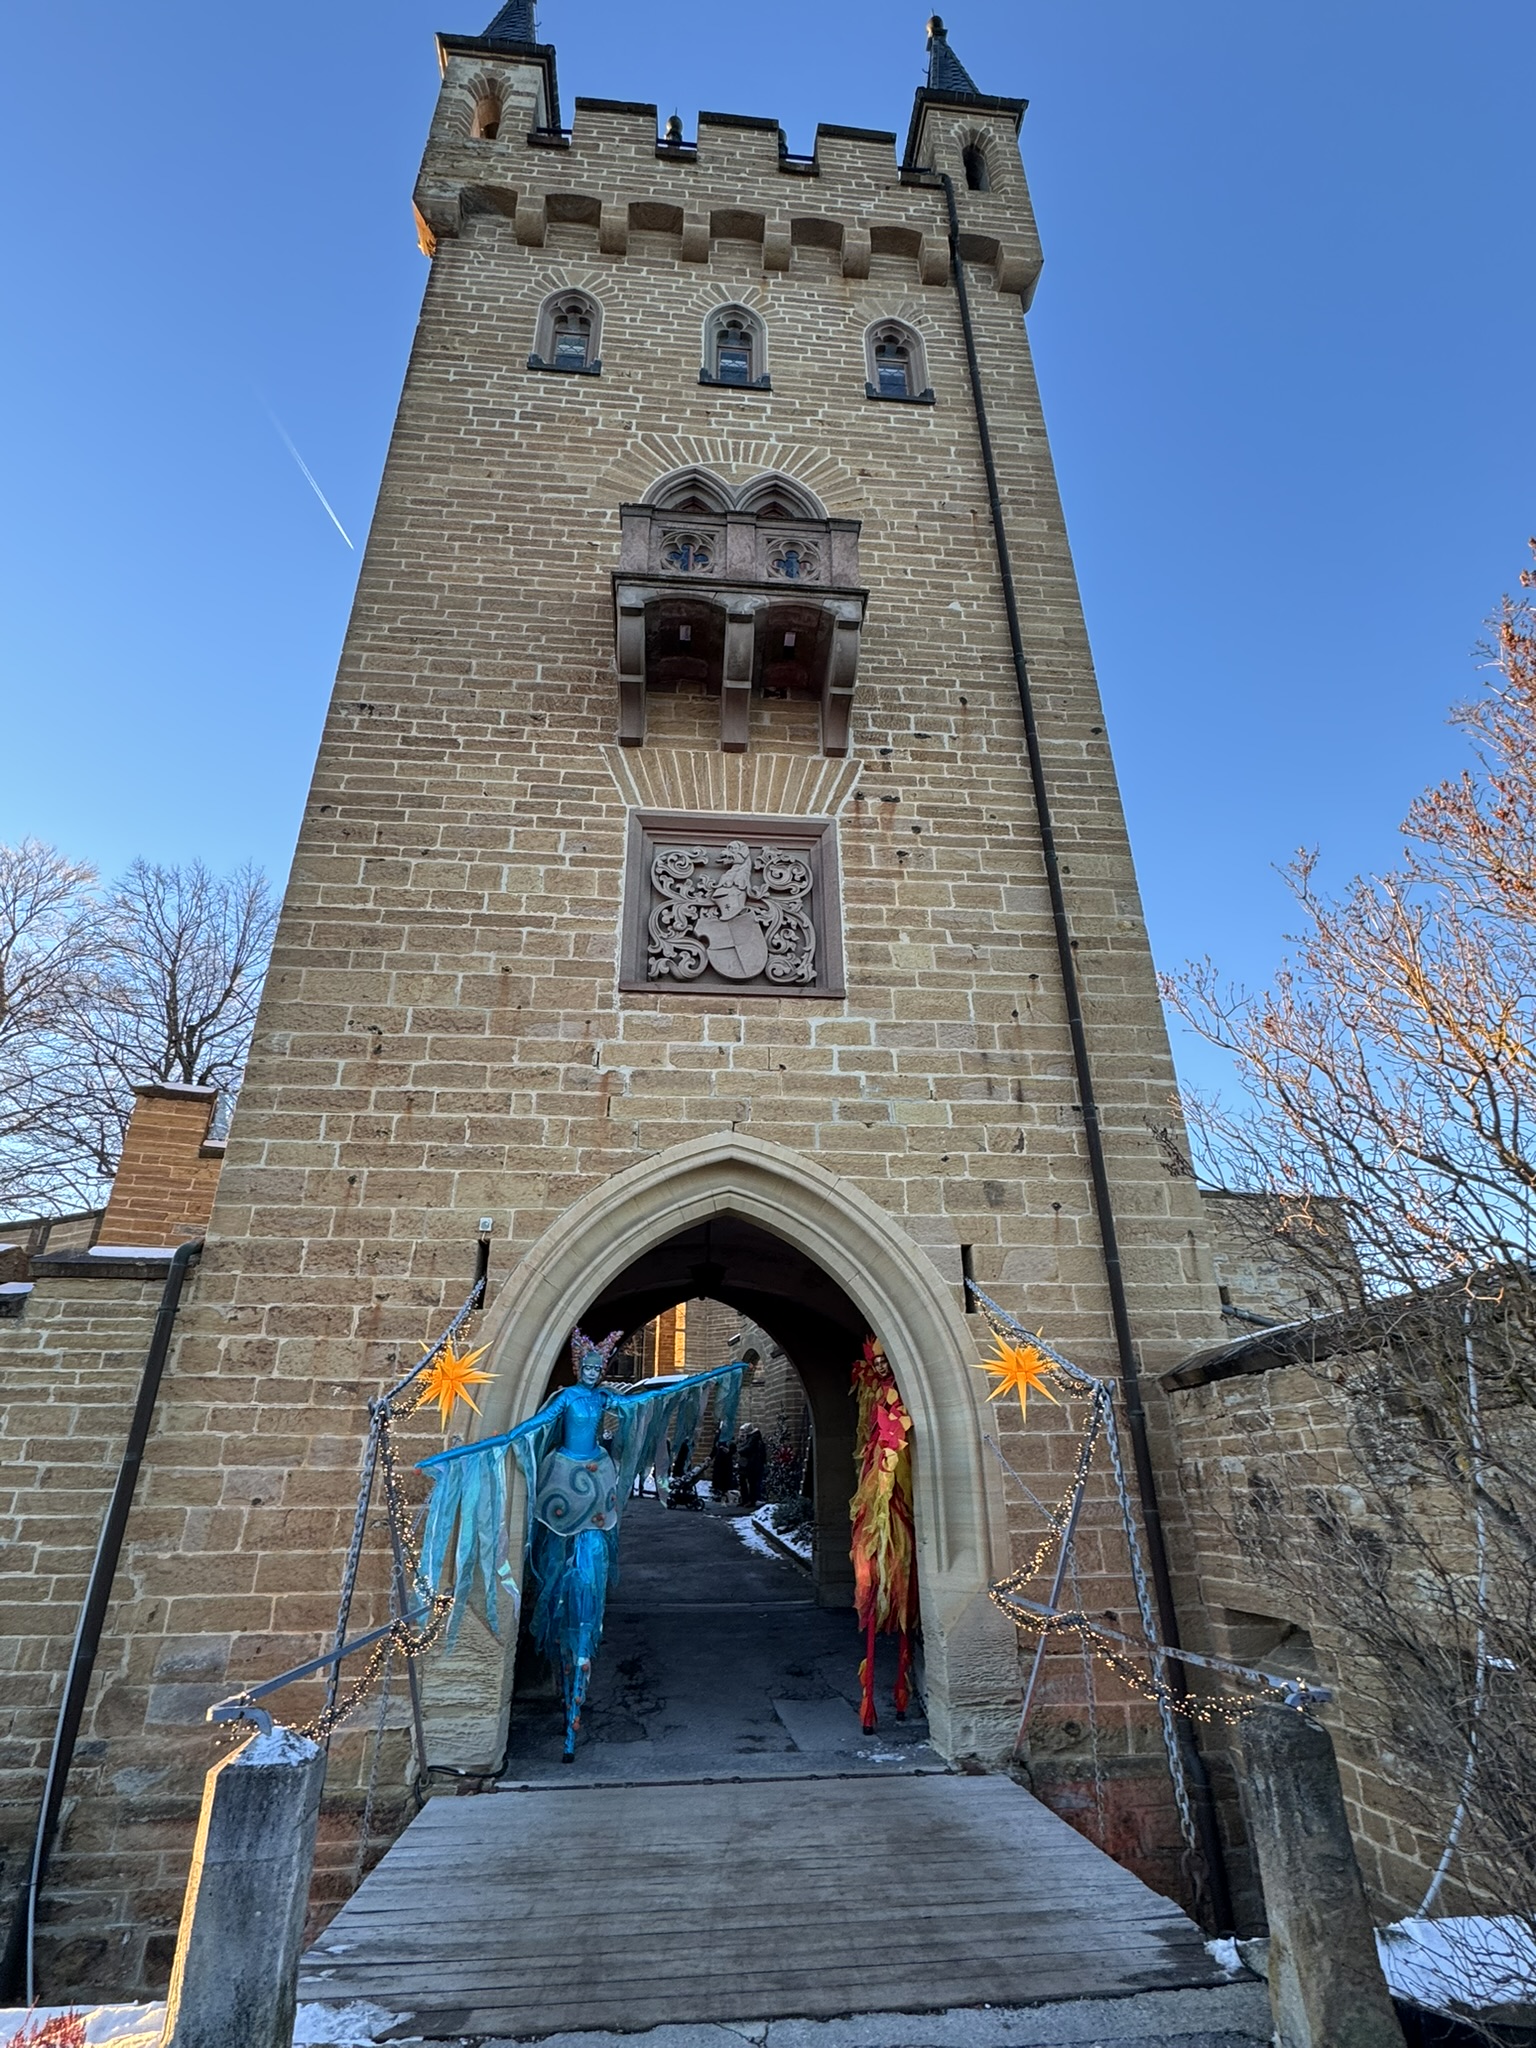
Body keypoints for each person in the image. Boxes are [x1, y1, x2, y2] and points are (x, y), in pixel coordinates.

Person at [419, 1329, 747, 1758]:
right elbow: (531, 1427)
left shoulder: (605, 1398)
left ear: (603, 1370)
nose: (593, 1373)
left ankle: (579, 1683)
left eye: (598, 1367)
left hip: (596, 1483)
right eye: (587, 1367)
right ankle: (568, 1679)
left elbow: (642, 1402)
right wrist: (483, 1448)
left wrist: (706, 1379)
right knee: (559, 1577)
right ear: (579, 1369)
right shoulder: (567, 1398)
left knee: (589, 1581)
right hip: (564, 1483)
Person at [738, 1424, 768, 1511]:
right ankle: (746, 1500)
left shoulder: (754, 1438)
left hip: (752, 1464)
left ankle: (751, 1501)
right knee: (745, 1481)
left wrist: (739, 1450)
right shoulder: (751, 1438)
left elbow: (747, 1449)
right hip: (748, 1464)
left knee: (752, 1483)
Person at [710, 1434, 736, 1502]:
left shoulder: (730, 1437)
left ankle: (725, 1496)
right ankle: (720, 1495)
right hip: (718, 1462)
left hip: (726, 1463)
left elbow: (734, 1450)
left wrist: (729, 1451)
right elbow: (715, 1449)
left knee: (725, 1481)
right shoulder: (718, 1437)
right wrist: (710, 1457)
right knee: (718, 1479)